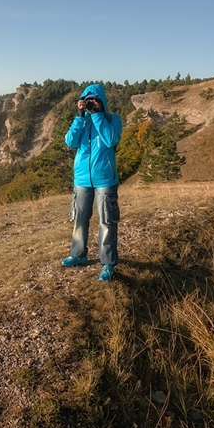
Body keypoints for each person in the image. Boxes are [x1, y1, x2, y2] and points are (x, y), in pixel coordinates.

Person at [61, 83, 122, 281]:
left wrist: (96, 115)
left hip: (104, 179)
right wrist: (80, 117)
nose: (90, 103)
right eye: (87, 101)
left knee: (106, 221)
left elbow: (111, 140)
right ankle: (78, 255)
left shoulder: (112, 120)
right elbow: (70, 142)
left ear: (102, 101)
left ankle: (108, 263)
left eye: (94, 100)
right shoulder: (82, 121)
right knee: (79, 219)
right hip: (81, 179)